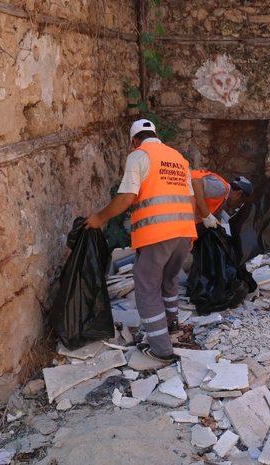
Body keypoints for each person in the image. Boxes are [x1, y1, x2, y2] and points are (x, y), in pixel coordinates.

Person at [86, 119, 197, 362]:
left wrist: (99, 218)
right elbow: (190, 199)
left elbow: (126, 197)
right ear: (155, 134)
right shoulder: (177, 157)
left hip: (157, 233)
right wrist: (192, 233)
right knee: (169, 280)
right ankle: (171, 326)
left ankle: (160, 349)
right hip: (183, 230)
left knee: (147, 286)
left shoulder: (139, 155)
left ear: (135, 140)